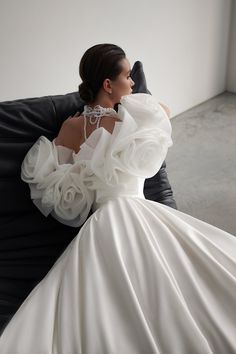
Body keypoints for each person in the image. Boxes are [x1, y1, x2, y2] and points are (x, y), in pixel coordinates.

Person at [0, 43, 235, 354]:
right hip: (142, 214)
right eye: (127, 76)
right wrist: (131, 107)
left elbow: (56, 189)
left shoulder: (71, 126)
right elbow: (163, 111)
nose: (133, 83)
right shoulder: (132, 119)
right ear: (108, 85)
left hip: (100, 226)